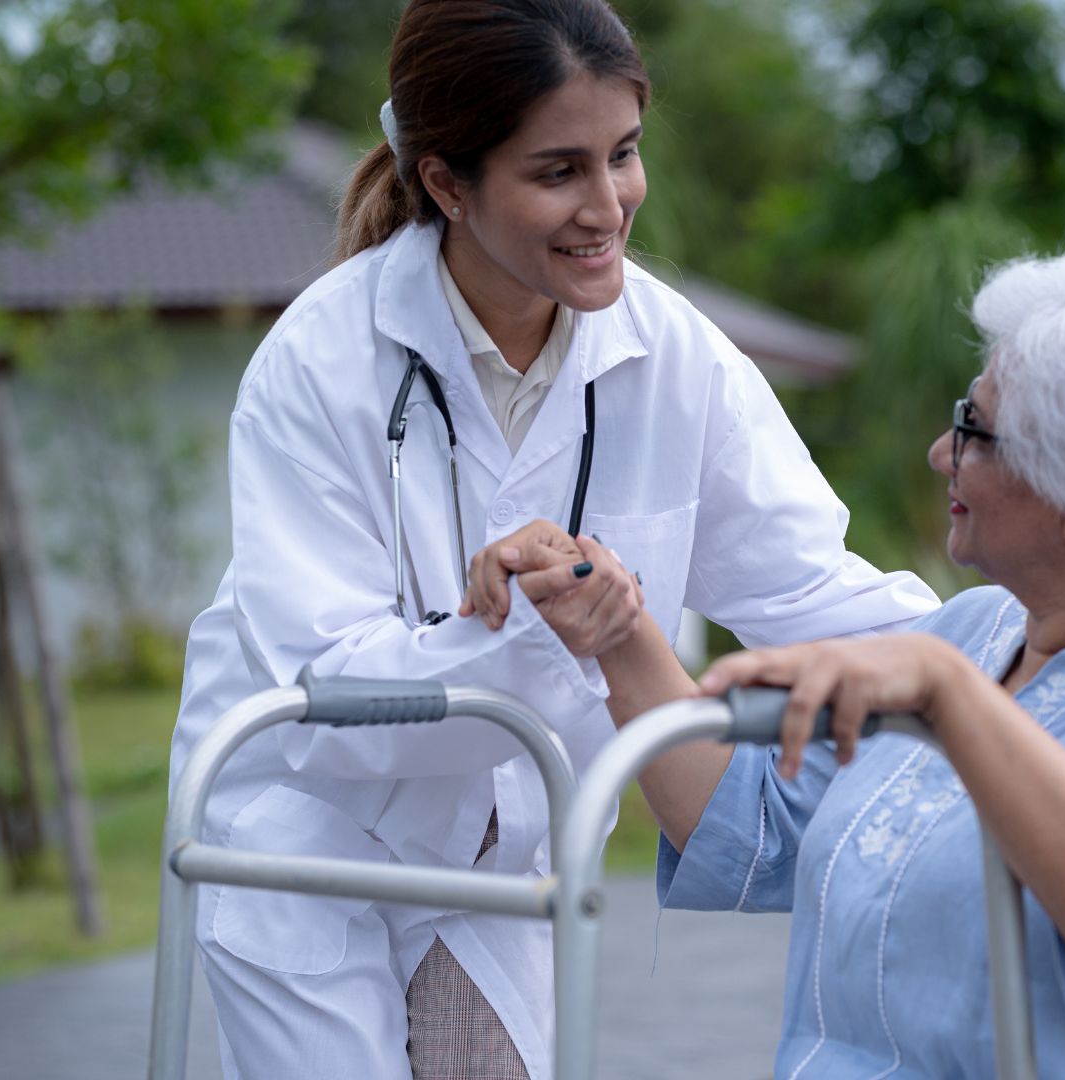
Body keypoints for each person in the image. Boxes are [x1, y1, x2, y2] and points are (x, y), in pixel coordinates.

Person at [166, 1, 938, 1078]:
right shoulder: (321, 363)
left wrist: (1028, 651)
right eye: (557, 171)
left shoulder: (679, 361)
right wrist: (553, 620)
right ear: (446, 184)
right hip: (313, 840)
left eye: (622, 156)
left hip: (510, 847)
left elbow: (816, 594)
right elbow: (331, 692)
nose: (607, 205)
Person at [489, 249, 1065, 1077]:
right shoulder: (976, 636)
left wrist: (954, 701)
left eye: (975, 431)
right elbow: (754, 826)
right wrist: (618, 627)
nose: (939, 453)